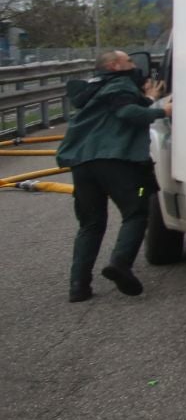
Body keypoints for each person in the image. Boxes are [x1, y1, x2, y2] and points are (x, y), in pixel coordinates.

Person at [56, 51, 171, 302]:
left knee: (90, 223)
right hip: (117, 163)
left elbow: (119, 107)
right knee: (137, 210)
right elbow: (126, 113)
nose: (134, 65)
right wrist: (164, 110)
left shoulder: (92, 89)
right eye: (129, 61)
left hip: (83, 165)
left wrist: (149, 98)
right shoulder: (121, 84)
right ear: (114, 65)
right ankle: (120, 264)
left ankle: (78, 286)